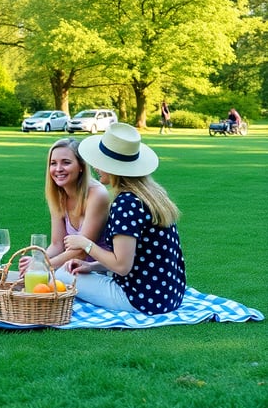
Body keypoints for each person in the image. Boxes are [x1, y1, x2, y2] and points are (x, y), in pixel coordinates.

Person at [58, 123, 186, 315]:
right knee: (75, 273)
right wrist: (91, 266)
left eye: (99, 162)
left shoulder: (126, 203)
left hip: (140, 299)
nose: (95, 167)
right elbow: (134, 257)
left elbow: (122, 266)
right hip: (170, 295)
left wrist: (85, 244)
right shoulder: (153, 195)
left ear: (112, 167)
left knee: (61, 274)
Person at [19, 137, 110, 274]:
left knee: (43, 280)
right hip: (71, 271)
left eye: (66, 163)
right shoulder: (58, 196)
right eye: (53, 163)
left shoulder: (97, 194)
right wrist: (38, 261)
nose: (58, 169)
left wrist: (42, 265)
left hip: (97, 272)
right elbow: (57, 245)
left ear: (81, 166)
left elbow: (80, 252)